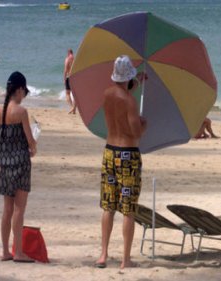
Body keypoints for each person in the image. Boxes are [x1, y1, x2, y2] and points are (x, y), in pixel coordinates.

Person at [96, 55, 147, 269]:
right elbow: (135, 132)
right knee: (128, 209)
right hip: (128, 154)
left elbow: (120, 97)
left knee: (108, 206)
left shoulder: (107, 95)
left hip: (109, 152)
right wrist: (144, 123)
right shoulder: (130, 101)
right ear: (129, 77)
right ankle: (125, 259)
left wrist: (135, 84)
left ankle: (104, 254)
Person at [0, 71, 37, 263]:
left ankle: (5, 251)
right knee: (19, 209)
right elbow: (31, 142)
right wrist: (33, 148)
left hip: (5, 166)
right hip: (20, 165)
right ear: (19, 90)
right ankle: (18, 252)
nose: (24, 96)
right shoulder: (21, 112)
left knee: (7, 210)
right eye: (24, 92)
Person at [63, 48, 76, 114]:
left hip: (69, 77)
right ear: (72, 53)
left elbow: (65, 70)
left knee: (67, 93)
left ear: (68, 53)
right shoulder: (75, 59)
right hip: (75, 77)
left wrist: (64, 79)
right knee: (75, 94)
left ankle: (72, 108)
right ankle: (74, 108)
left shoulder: (67, 59)